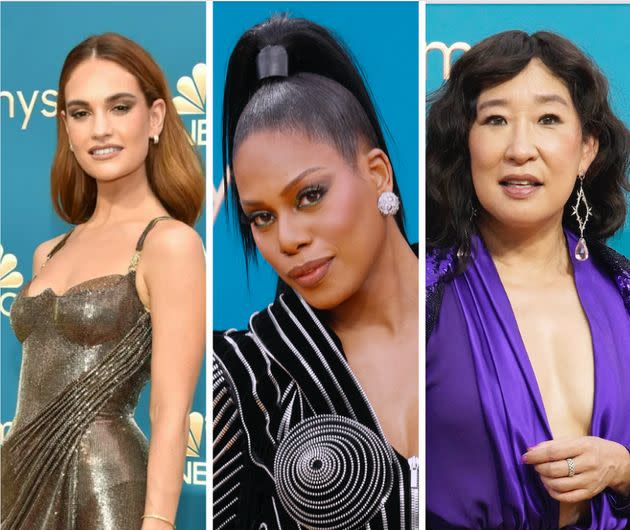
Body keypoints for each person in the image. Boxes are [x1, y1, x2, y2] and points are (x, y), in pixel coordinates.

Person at [213, 14, 419, 530]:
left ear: (377, 173)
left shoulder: (489, 305)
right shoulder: (241, 378)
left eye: (310, 195)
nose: (287, 239)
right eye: (261, 217)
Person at [426, 30, 630, 529]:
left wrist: (624, 470)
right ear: (464, 142)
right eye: (495, 119)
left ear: (586, 150)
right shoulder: (418, 292)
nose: (521, 148)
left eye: (548, 119)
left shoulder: (624, 291)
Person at [1, 33, 205, 530]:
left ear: (154, 118)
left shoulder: (168, 244)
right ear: (66, 128)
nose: (100, 129)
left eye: (119, 107)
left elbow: (169, 411)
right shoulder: (48, 252)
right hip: (15, 483)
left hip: (107, 491)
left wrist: (157, 522)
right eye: (81, 112)